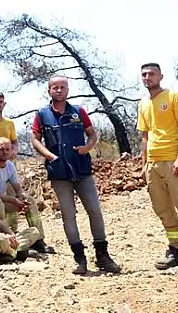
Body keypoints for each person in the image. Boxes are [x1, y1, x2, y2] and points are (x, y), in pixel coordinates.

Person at [30, 76, 122, 275]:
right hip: (59, 172)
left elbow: (92, 134)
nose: (59, 90)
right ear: (49, 91)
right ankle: (79, 259)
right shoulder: (42, 114)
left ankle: (103, 256)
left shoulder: (78, 111)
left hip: (81, 169)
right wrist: (49, 155)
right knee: (68, 216)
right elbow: (35, 140)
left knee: (95, 211)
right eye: (55, 87)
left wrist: (87, 147)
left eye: (63, 87)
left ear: (68, 90)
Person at [138, 62, 178, 270]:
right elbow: (145, 136)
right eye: (144, 74)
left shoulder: (174, 97)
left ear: (161, 76)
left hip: (172, 161)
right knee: (163, 209)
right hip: (153, 164)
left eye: (151, 74)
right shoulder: (143, 103)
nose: (147, 77)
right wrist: (144, 165)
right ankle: (175, 251)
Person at [0, 137, 53, 254]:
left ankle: (39, 242)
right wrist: (13, 200)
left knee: (30, 201)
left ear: (11, 150)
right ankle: (3, 242)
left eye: (7, 149)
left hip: (2, 199)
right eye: (1, 149)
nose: (4, 152)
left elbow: (17, 187)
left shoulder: (9, 165)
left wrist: (21, 196)